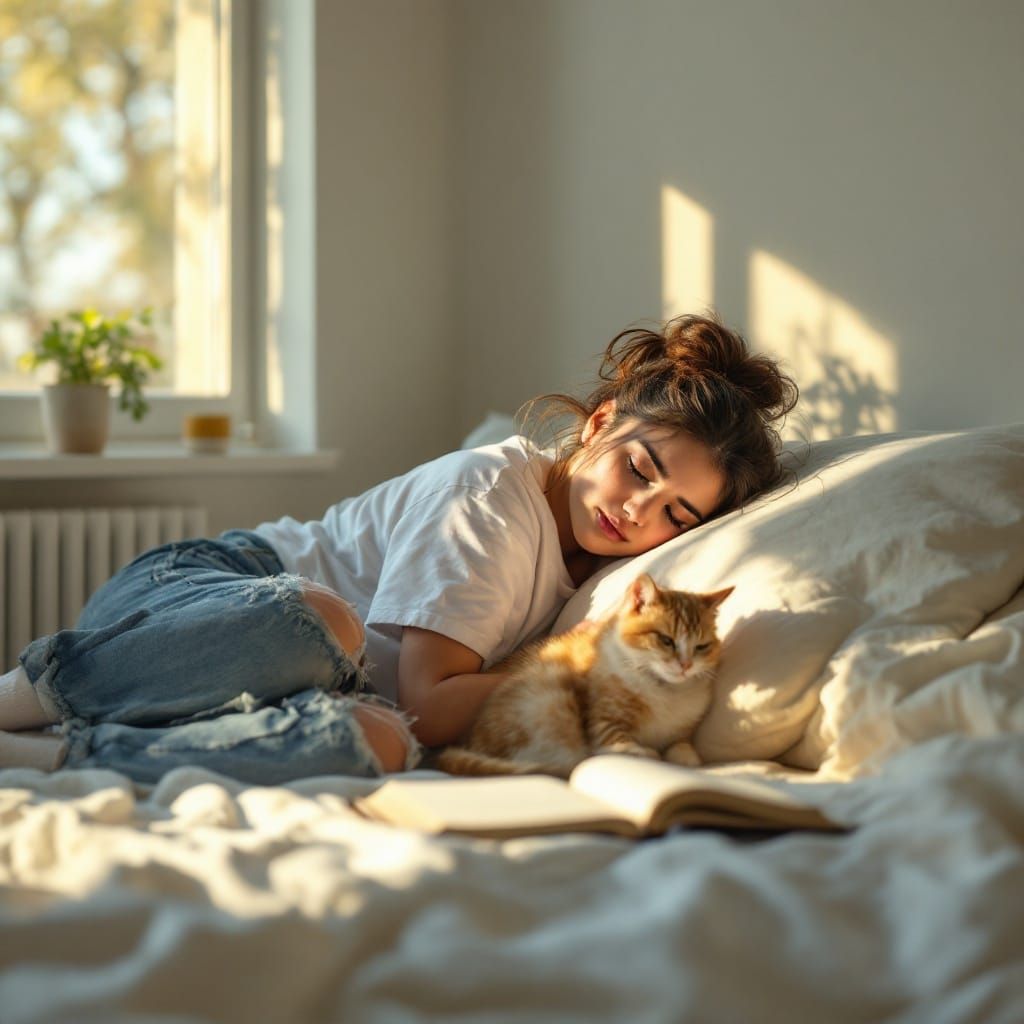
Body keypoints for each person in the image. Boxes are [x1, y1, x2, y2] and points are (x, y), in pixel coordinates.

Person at [0, 314, 798, 784]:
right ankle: (24, 693)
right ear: (598, 427)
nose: (637, 509)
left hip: (329, 689)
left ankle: (63, 753)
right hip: (201, 596)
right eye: (638, 468)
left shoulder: (619, 573)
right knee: (324, 621)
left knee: (381, 741)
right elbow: (433, 697)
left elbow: (412, 721)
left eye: (676, 512)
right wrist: (590, 668)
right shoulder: (489, 500)